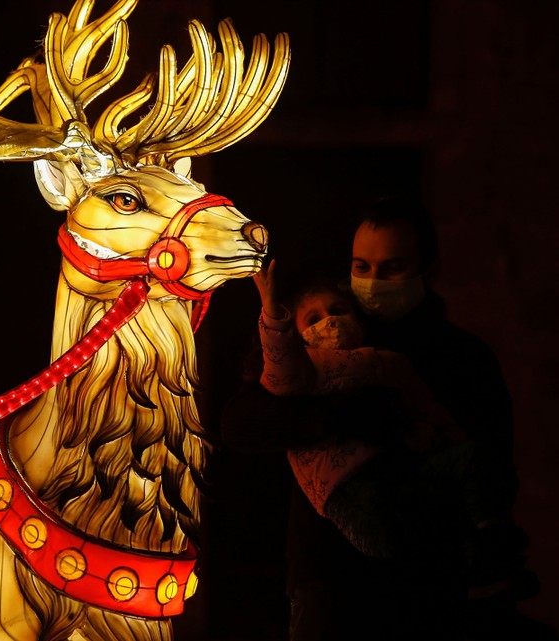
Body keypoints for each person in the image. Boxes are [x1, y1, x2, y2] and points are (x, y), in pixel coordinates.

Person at [221, 195, 554, 641]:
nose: (373, 281)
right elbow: (241, 423)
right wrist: (341, 416)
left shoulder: (464, 359)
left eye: (392, 268)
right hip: (330, 583)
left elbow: (491, 468)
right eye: (362, 267)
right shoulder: (317, 335)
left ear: (427, 271)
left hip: (433, 589)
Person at [253, 257, 523, 573]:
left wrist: (445, 439)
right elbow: (280, 366)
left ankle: (491, 548)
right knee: (385, 535)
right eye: (313, 319)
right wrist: (272, 309)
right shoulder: (306, 368)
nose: (330, 322)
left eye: (338, 311)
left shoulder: (392, 362)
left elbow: (427, 405)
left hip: (403, 468)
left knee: (468, 467)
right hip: (346, 484)